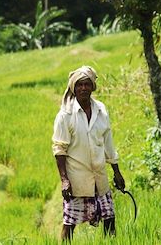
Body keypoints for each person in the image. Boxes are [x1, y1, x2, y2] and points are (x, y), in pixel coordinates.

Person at [52, 66, 125, 242]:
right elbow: (59, 149)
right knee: (69, 223)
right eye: (79, 85)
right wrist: (64, 180)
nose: (83, 88)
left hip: (99, 176)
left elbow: (108, 143)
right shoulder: (65, 115)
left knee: (110, 219)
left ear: (92, 87)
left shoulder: (101, 110)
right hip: (77, 179)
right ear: (73, 88)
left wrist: (116, 172)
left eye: (87, 84)